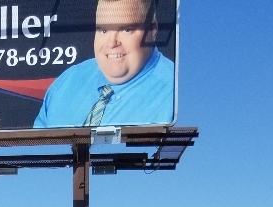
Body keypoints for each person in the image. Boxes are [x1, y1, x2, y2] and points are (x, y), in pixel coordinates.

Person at [34, 0, 176, 129]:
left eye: (126, 29)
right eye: (103, 30)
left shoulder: (175, 95)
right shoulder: (66, 83)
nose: (111, 43)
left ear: (152, 30)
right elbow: (36, 151)